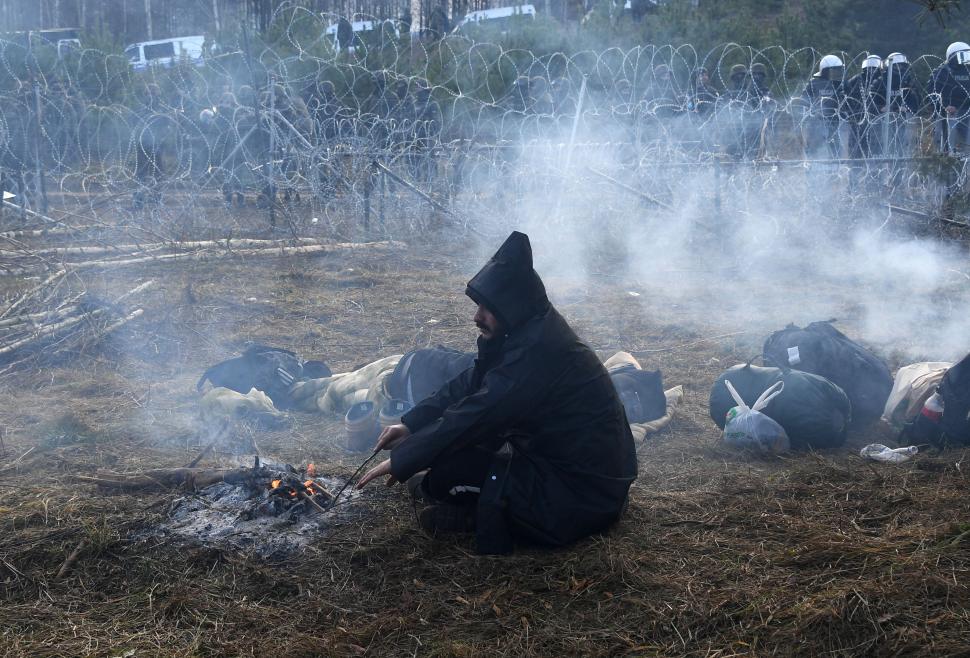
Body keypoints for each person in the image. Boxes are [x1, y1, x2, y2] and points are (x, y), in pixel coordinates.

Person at [355, 232, 638, 554]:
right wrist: (411, 424)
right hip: (569, 470)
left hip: (580, 495)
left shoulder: (538, 351)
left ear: (512, 306)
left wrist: (405, 458)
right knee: (451, 456)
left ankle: (478, 516)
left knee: (445, 477)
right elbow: (473, 380)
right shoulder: (528, 327)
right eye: (479, 306)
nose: (477, 316)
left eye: (488, 308)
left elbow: (480, 412)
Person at [801, 54, 848, 159]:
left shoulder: (841, 84)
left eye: (838, 70)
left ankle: (834, 173)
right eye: (834, 70)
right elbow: (804, 99)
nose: (837, 73)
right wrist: (812, 109)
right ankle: (812, 171)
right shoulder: (814, 83)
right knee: (814, 149)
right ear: (826, 71)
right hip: (816, 122)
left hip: (834, 121)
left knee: (835, 149)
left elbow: (848, 101)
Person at [929, 41, 970, 153]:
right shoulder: (942, 72)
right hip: (947, 114)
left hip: (967, 110)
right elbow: (933, 93)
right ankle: (945, 162)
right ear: (953, 56)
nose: (966, 59)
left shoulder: (968, 71)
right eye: (962, 55)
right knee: (946, 142)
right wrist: (944, 106)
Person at [845, 55, 884, 159]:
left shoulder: (882, 80)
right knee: (857, 147)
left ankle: (866, 171)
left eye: (873, 69)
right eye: (869, 69)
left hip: (875, 119)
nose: (871, 71)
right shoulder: (857, 79)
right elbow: (846, 94)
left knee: (872, 148)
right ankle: (856, 170)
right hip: (859, 118)